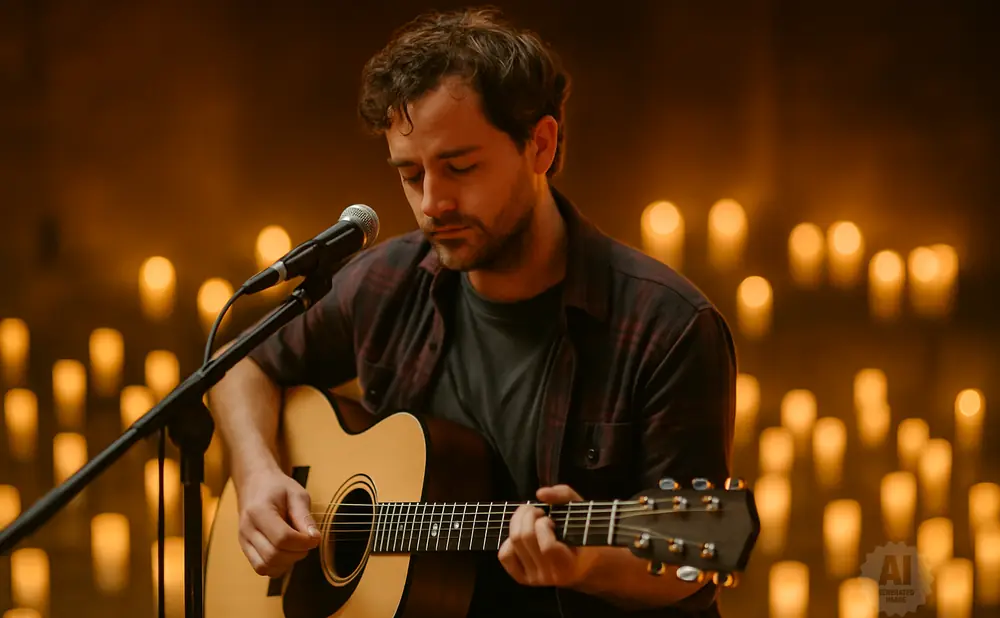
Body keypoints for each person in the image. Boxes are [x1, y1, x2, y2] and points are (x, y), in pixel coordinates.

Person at [207, 7, 736, 617]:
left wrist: (584, 562)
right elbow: (234, 364)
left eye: (460, 167)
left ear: (540, 144)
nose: (433, 203)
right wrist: (256, 476)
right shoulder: (386, 282)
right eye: (410, 174)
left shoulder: (666, 328)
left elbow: (699, 554)